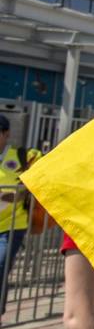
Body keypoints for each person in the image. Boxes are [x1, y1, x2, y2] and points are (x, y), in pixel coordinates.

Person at [0, 113, 43, 307]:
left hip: (12, 225)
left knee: (0, 266)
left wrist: (23, 192)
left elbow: (43, 172)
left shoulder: (23, 156)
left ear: (6, 134)